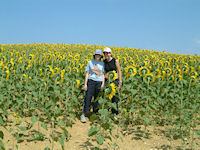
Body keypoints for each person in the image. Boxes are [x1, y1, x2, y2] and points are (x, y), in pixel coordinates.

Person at [81, 49, 105, 123]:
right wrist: (85, 84)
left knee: (97, 99)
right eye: (97, 55)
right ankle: (84, 114)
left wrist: (103, 83)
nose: (98, 56)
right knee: (88, 97)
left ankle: (95, 115)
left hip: (99, 82)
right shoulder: (90, 62)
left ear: (101, 56)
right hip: (91, 81)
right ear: (94, 55)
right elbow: (87, 73)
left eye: (99, 55)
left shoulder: (102, 63)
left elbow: (103, 74)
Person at [103, 47, 122, 120]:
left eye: (107, 53)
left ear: (110, 53)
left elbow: (119, 71)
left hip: (115, 81)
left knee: (115, 97)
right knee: (107, 96)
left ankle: (114, 114)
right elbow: (104, 72)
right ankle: (106, 114)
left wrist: (120, 82)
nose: (106, 54)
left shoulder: (115, 61)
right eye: (104, 53)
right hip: (108, 81)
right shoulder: (104, 62)